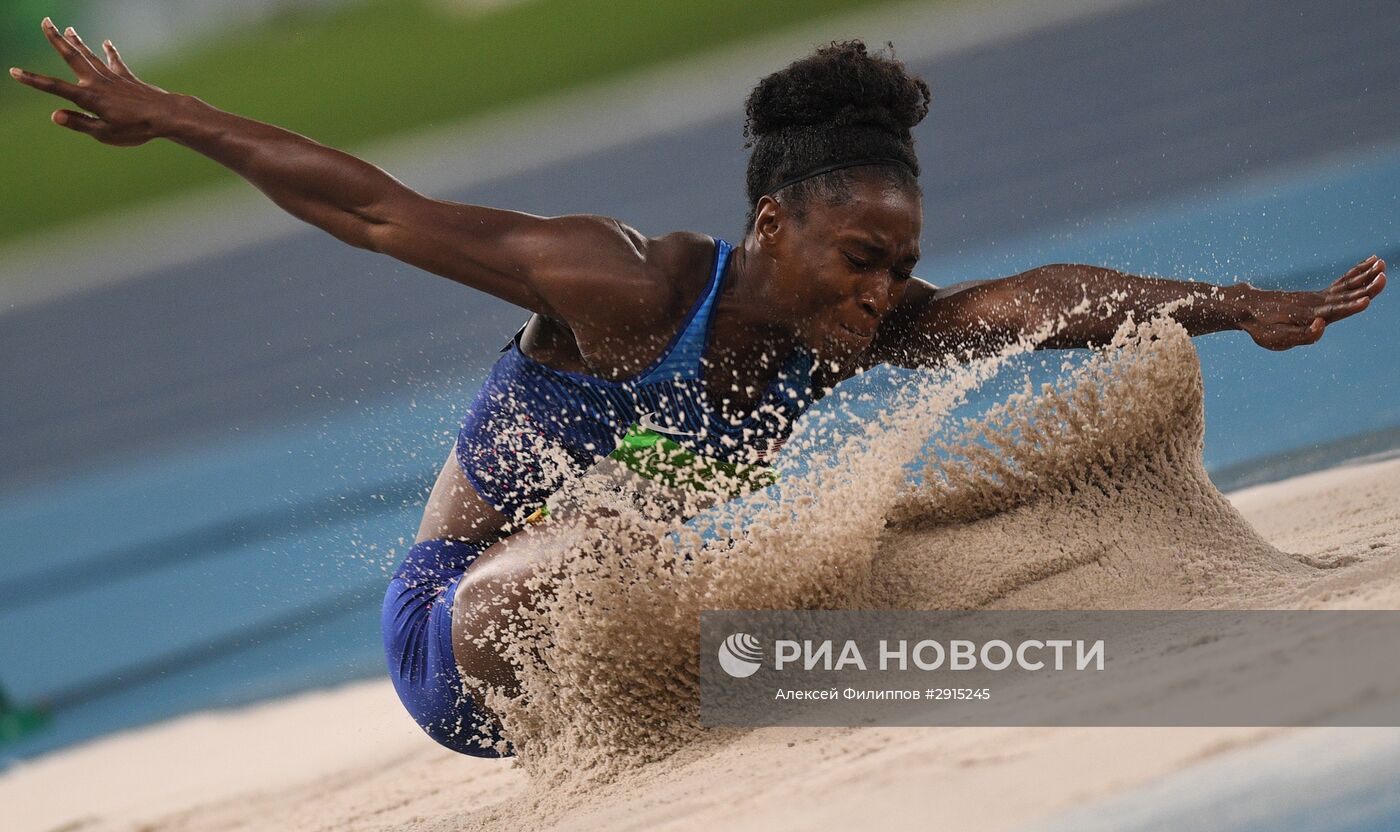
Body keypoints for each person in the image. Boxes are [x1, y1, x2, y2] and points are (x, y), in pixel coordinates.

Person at [12, 22, 1385, 758]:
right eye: (860, 259)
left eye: (899, 263)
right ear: (775, 226)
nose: (881, 291)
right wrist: (175, 118)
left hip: (653, 637)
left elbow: (1026, 303)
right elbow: (376, 213)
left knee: (922, 540)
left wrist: (1225, 306)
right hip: (469, 644)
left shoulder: (861, 325)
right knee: (628, 549)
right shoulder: (626, 289)